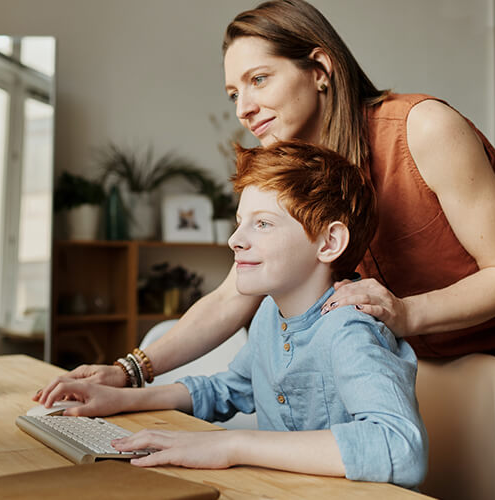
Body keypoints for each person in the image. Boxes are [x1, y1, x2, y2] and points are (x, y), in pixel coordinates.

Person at [38, 1, 495, 498]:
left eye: (259, 80)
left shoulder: (422, 128)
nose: (243, 107)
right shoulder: (311, 174)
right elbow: (232, 296)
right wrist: (128, 371)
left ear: (320, 67)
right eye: (234, 91)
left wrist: (402, 312)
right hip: (433, 370)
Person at [37, 141, 428, 486]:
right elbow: (230, 389)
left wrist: (232, 444)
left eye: (262, 224)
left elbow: (400, 446)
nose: (235, 240)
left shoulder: (349, 328)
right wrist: (121, 398)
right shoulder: (269, 317)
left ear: (328, 242)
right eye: (241, 222)